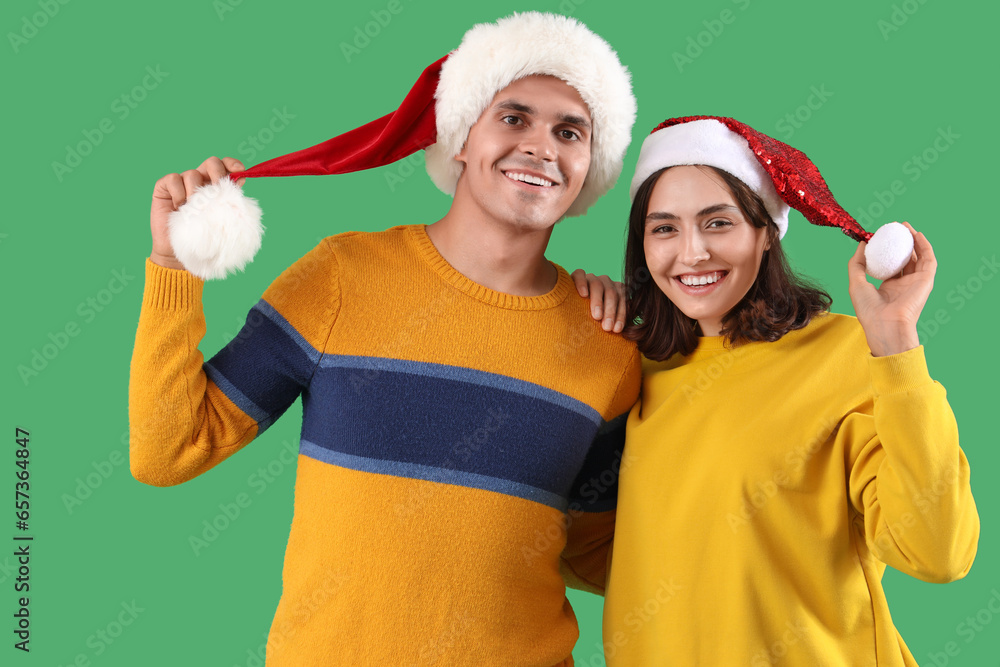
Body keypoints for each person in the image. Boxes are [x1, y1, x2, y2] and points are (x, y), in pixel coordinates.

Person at [129, 13, 640, 666]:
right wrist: (173, 269)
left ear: (589, 163)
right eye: (513, 118)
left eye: (570, 131)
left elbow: (596, 551)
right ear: (459, 138)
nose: (542, 145)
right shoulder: (342, 277)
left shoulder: (608, 342)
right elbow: (170, 450)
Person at [599, 116, 980, 665]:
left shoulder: (848, 355)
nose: (692, 253)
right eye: (664, 228)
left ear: (765, 232)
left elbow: (938, 551)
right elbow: (601, 551)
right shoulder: (627, 369)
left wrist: (896, 345)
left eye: (718, 223)